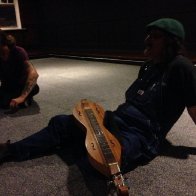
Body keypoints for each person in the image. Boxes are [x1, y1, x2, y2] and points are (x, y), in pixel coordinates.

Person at [0, 18, 196, 174]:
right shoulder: (148, 65)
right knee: (61, 123)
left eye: (155, 36)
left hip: (141, 134)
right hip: (116, 119)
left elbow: (194, 107)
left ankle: (84, 142)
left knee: (104, 160)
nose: (147, 40)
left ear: (171, 42)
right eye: (148, 35)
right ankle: (11, 150)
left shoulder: (182, 67)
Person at [0, 30, 39, 110]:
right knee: (4, 101)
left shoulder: (18, 51)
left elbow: (34, 74)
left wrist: (21, 97)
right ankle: (20, 101)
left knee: (5, 103)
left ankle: (23, 99)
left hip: (22, 86)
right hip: (7, 86)